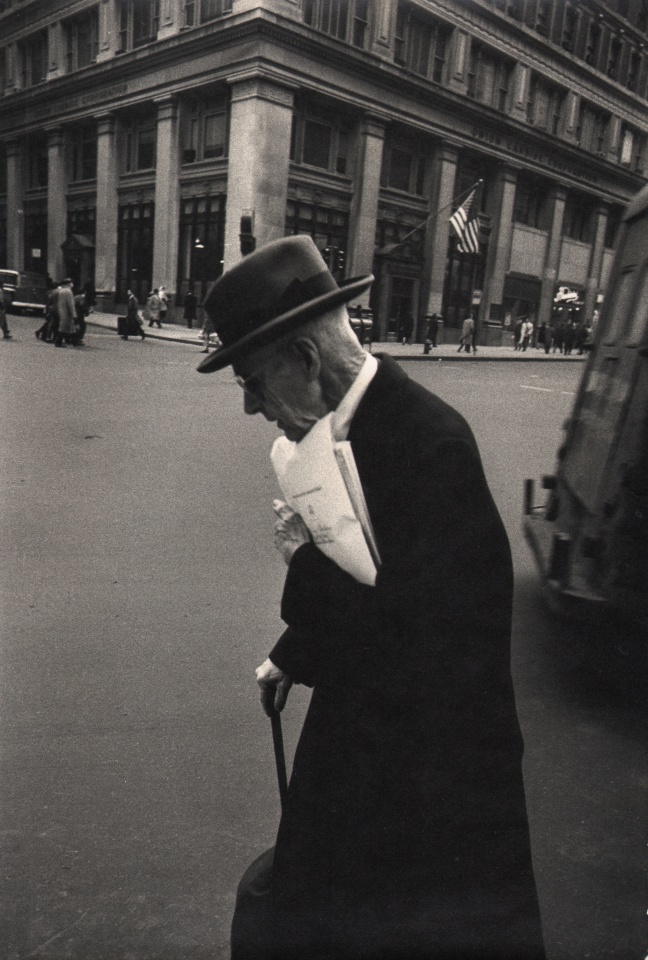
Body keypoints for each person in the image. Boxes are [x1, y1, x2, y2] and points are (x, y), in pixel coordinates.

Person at [197, 236, 545, 960]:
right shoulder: (351, 429)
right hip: (376, 748)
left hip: (429, 785)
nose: (253, 410)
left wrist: (301, 561)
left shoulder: (430, 444)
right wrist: (294, 652)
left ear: (303, 359)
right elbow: (382, 600)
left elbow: (429, 642)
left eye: (253, 384)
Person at [54, 279, 76, 348]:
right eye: (71, 283)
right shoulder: (68, 291)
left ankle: (67, 341)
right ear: (68, 284)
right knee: (64, 327)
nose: (72, 284)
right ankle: (59, 342)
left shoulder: (61, 291)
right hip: (66, 312)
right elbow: (71, 304)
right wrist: (74, 314)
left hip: (60, 310)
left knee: (64, 327)